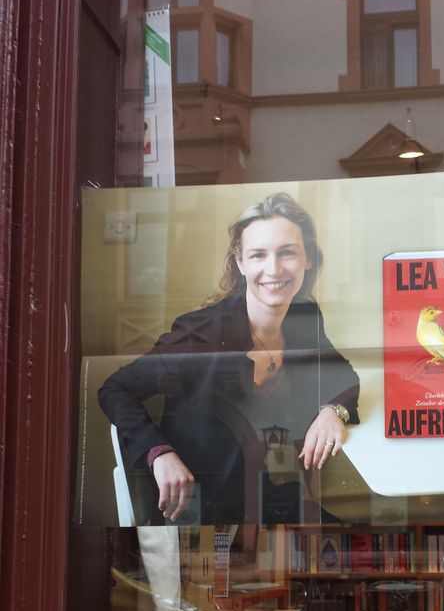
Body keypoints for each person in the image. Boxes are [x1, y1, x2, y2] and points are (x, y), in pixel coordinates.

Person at [99, 193, 360, 525]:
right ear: (240, 263)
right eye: (258, 255)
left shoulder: (304, 315)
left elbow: (341, 374)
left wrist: (332, 410)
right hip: (204, 514)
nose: (274, 269)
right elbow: (115, 389)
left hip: (274, 501)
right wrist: (159, 452)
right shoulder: (202, 334)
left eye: (287, 252)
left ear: (307, 258)